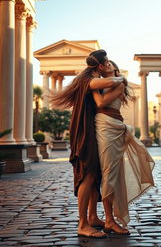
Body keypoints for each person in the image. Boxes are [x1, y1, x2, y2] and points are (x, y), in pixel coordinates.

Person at [51, 50, 127, 238]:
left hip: (90, 130)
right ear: (100, 66)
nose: (109, 65)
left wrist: (119, 79)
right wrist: (121, 78)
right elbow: (109, 85)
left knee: (94, 173)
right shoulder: (90, 81)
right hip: (84, 132)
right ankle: (83, 224)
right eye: (107, 62)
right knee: (87, 175)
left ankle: (92, 217)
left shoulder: (92, 80)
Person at [92, 60, 155, 235]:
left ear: (115, 69)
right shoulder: (98, 82)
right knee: (107, 172)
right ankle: (108, 219)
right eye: (103, 63)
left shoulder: (119, 84)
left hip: (112, 127)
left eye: (110, 63)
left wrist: (95, 90)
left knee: (111, 172)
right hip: (102, 126)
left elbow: (101, 103)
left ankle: (110, 219)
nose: (106, 64)